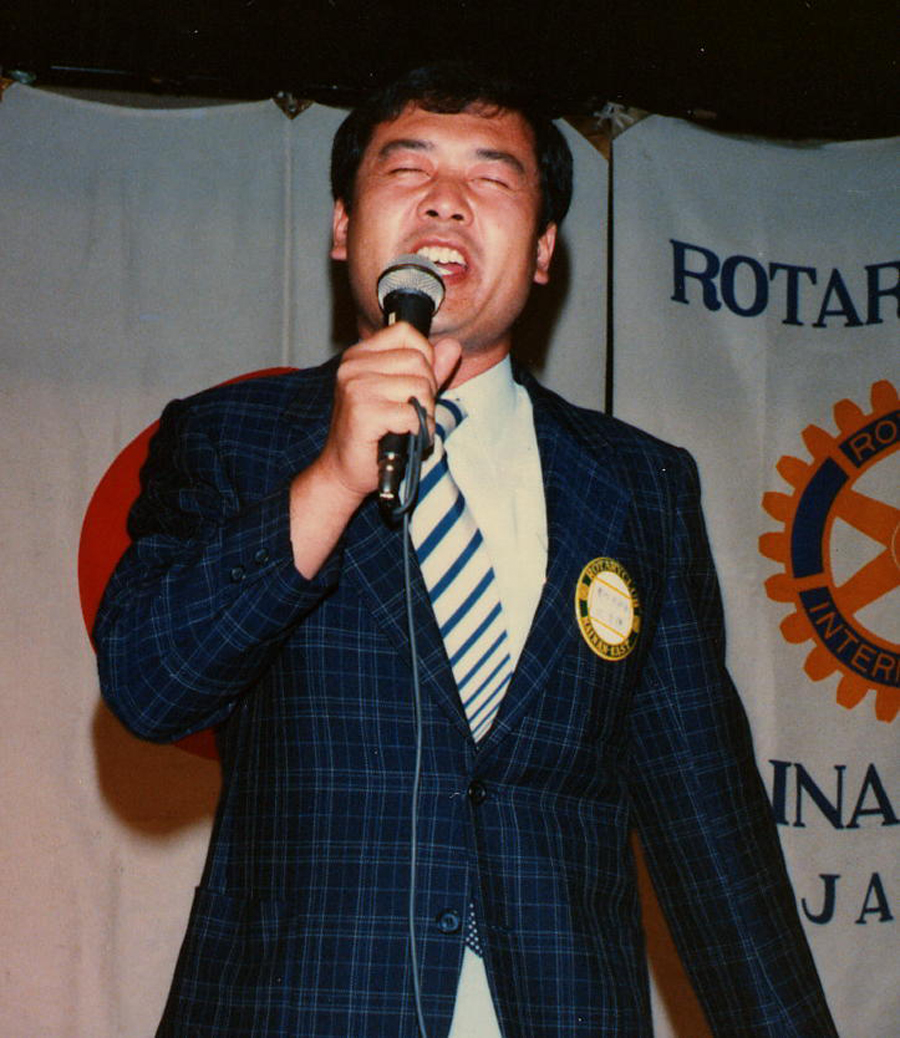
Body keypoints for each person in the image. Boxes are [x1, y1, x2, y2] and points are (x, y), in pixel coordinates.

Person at [95, 63, 838, 1038]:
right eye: (408, 170)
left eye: (492, 177)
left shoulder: (638, 486)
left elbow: (710, 821)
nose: (447, 201)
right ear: (342, 228)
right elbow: (150, 686)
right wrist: (331, 480)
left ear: (543, 251)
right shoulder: (232, 440)